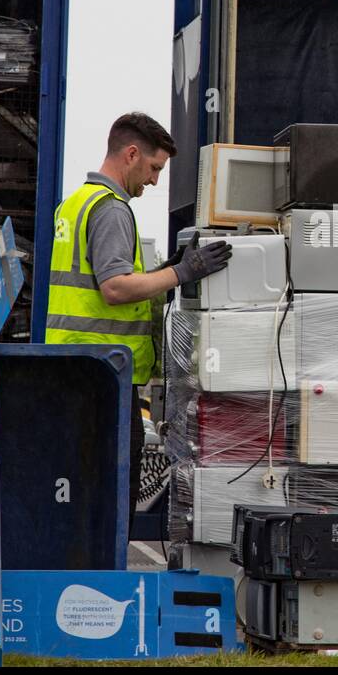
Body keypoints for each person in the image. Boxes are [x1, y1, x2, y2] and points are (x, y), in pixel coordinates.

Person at [46, 111, 231, 526]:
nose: (154, 181)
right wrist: (182, 273)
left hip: (78, 369)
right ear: (131, 154)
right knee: (113, 498)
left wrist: (165, 269)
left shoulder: (76, 203)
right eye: (153, 168)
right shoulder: (111, 209)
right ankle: (109, 582)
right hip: (104, 375)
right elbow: (114, 288)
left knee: (84, 490)